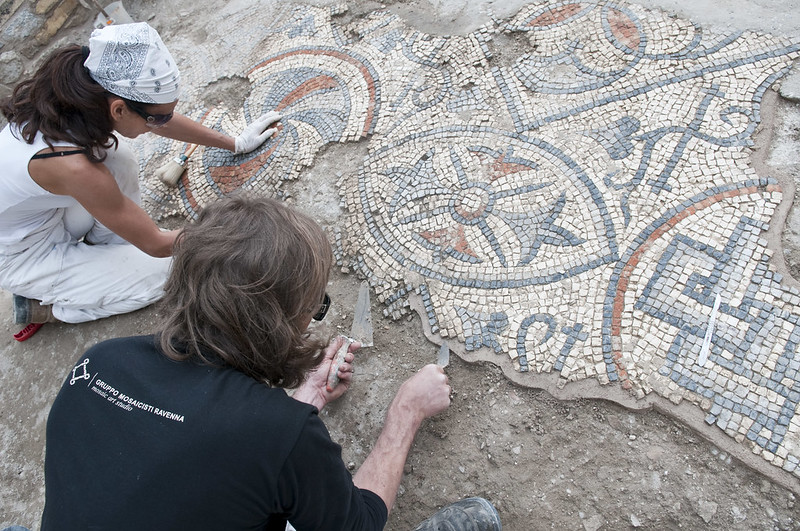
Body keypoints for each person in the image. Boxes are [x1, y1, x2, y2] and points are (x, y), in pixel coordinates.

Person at [38, 196, 501, 530]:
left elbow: (184, 457)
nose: (315, 316)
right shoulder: (281, 435)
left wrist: (306, 400)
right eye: (315, 306)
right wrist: (406, 413)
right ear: (279, 320)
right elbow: (357, 524)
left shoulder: (100, 361)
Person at [0, 22, 281, 338]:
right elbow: (158, 245)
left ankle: (107, 249)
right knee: (170, 274)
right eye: (157, 118)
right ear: (118, 109)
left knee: (117, 158)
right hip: (26, 257)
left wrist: (234, 142)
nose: (161, 123)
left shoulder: (84, 91)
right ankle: (50, 307)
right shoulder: (74, 168)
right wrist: (232, 236)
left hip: (47, 216)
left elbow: (159, 118)